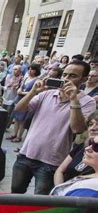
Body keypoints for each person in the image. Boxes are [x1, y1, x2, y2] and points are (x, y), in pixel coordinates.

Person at [11, 60, 96, 195]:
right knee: (15, 192)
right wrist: (33, 92)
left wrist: (74, 99)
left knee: (42, 200)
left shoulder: (87, 102)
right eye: (65, 75)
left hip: (51, 161)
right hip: (26, 153)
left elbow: (77, 129)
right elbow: (19, 109)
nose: (66, 79)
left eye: (73, 76)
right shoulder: (47, 94)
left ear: (84, 79)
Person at [54, 111, 98, 185]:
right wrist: (59, 189)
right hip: (65, 192)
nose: (93, 128)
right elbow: (60, 171)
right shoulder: (81, 146)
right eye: (90, 125)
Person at [7, 63, 41, 143]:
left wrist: (22, 92)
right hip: (19, 99)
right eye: (29, 69)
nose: (30, 71)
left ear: (36, 71)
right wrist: (19, 90)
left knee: (22, 119)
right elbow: (21, 87)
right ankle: (14, 134)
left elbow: (35, 93)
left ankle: (19, 136)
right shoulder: (26, 78)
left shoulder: (37, 80)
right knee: (16, 118)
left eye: (32, 69)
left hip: (27, 100)